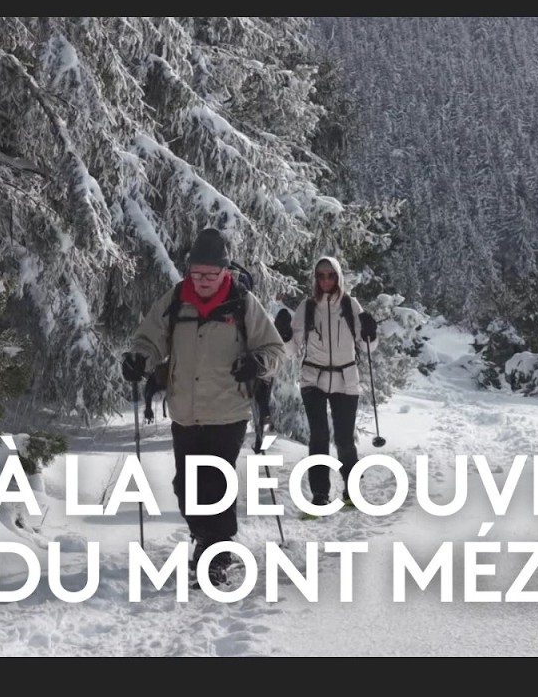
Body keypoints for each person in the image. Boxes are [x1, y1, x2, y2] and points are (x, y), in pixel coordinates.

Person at [121, 227, 284, 586]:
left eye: (211, 273)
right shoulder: (177, 299)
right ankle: (204, 537)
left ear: (225, 271)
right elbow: (149, 339)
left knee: (216, 482)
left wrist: (257, 363)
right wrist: (140, 359)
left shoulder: (242, 303)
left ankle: (217, 551)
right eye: (197, 273)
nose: (204, 280)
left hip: (228, 410)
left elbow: (274, 349)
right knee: (186, 485)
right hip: (185, 410)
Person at [273, 256, 379, 511]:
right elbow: (291, 349)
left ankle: (351, 490)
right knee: (319, 437)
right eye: (320, 276)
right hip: (313, 380)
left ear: (338, 277)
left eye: (330, 275)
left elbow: (367, 347)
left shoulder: (350, 305)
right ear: (315, 279)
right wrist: (284, 334)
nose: (326, 280)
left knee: (344, 439)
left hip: (346, 380)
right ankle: (320, 494)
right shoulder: (307, 307)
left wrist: (370, 332)